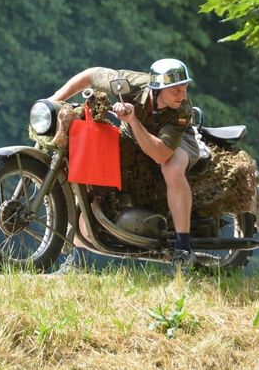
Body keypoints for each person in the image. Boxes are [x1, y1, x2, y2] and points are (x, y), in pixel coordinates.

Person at [48, 58, 199, 274]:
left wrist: (133, 120)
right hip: (134, 136)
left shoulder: (182, 108)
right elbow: (90, 75)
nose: (182, 95)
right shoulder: (131, 83)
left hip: (177, 142)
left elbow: (161, 154)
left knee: (172, 168)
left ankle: (183, 249)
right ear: (158, 89)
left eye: (184, 88)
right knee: (90, 168)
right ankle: (78, 259)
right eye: (175, 89)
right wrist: (52, 101)